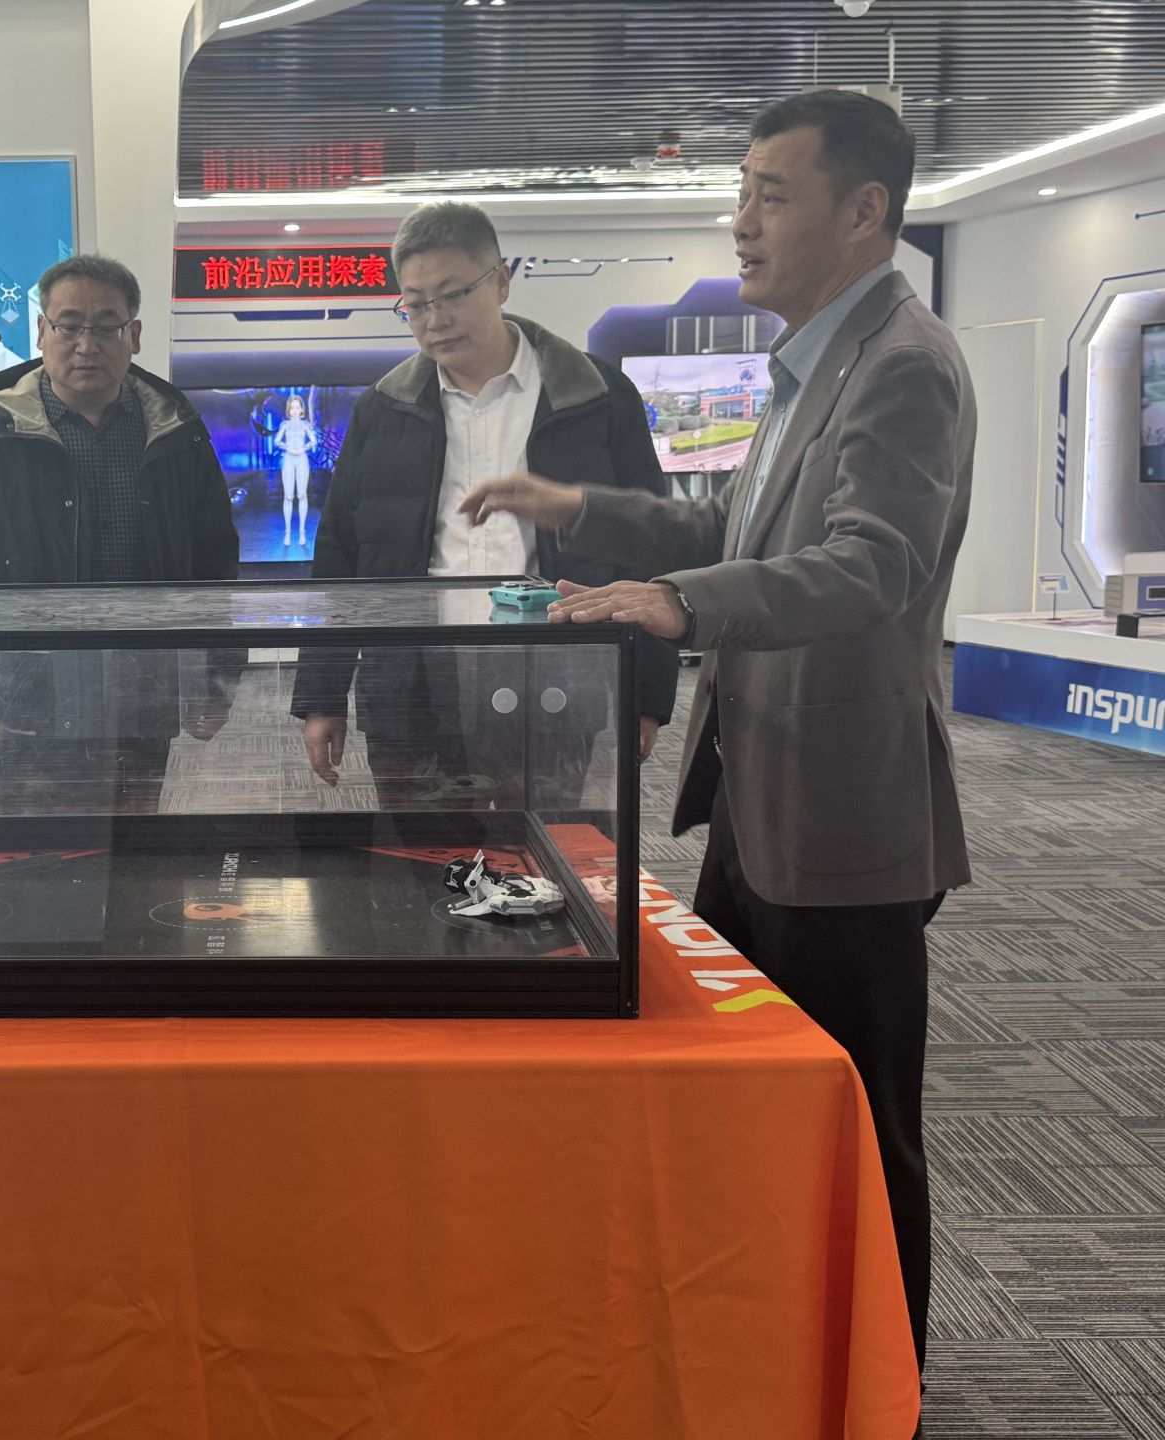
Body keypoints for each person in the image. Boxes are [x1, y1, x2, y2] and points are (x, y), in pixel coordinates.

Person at [459, 91, 973, 1382]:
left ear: (865, 211)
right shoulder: (808, 363)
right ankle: (783, 1356)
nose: (741, 222)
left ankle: (882, 1388)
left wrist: (680, 605)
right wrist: (580, 507)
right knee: (756, 1099)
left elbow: (870, 564)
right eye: (739, 192)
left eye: (771, 195)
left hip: (846, 819)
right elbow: (728, 531)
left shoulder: (904, 365)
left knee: (858, 1125)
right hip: (758, 799)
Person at [294, 200, 678, 809]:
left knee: (548, 851)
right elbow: (339, 555)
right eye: (415, 304)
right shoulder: (384, 408)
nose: (435, 320)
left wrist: (647, 695)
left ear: (500, 281)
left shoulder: (595, 396)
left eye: (452, 295)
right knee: (420, 856)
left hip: (554, 668)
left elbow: (649, 543)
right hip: (414, 682)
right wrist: (322, 695)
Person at [0, 254, 240, 812]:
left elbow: (215, 567)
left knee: (137, 849)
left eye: (106, 327)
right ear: (41, 332)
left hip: (144, 699)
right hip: (27, 705)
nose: (86, 345)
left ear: (134, 335)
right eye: (68, 326)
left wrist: (218, 679)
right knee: (35, 856)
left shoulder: (178, 437)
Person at [276, 393, 316, 549]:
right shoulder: (285, 424)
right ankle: (287, 532)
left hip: (302, 460)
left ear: (301, 409)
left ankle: (302, 532)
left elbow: (313, 441)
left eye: (297, 407)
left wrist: (303, 448)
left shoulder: (305, 424)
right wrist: (289, 448)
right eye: (292, 407)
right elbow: (277, 441)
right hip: (288, 459)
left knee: (302, 495)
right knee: (288, 496)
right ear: (288, 409)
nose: (294, 410)